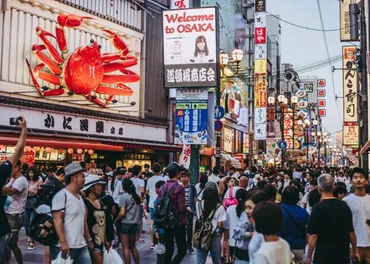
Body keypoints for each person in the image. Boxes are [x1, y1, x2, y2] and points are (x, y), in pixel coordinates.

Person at [305, 174, 360, 264]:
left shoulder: (317, 208)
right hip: (342, 254)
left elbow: (313, 235)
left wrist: (309, 257)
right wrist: (355, 251)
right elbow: (351, 231)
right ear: (333, 188)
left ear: (319, 189)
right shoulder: (343, 205)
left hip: (323, 254)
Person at [51, 162, 92, 263]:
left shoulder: (80, 198)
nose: (84, 180)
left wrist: (89, 240)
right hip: (65, 247)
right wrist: (63, 242)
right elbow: (57, 220)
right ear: (73, 178)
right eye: (82, 176)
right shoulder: (61, 196)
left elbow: (83, 221)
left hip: (81, 245)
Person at [0, 116, 27, 264]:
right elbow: (18, 151)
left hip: (13, 214)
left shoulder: (19, 180)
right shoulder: (2, 172)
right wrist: (24, 129)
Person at [157, 162, 187, 264]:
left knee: (168, 248)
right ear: (177, 173)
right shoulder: (180, 188)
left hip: (165, 221)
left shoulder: (162, 187)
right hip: (178, 221)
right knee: (182, 249)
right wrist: (187, 210)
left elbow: (159, 204)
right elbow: (181, 208)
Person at [3, 159, 29, 264]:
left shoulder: (21, 180)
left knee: (11, 242)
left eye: (11, 168)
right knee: (6, 241)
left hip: (16, 214)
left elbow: (11, 191)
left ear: (17, 167)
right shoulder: (12, 179)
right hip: (8, 211)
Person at [343, 167, 370, 263]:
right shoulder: (346, 201)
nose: (358, 180)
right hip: (352, 246)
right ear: (351, 181)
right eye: (355, 177)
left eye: (361, 177)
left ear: (366, 181)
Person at [195, 182, 225, 264]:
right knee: (216, 261)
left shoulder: (198, 204)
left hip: (201, 234)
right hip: (214, 235)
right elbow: (220, 224)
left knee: (200, 261)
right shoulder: (220, 207)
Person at [83, 174, 110, 264]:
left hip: (101, 241)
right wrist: (89, 240)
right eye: (98, 185)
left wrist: (105, 240)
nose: (100, 187)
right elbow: (84, 222)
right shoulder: (86, 203)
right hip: (92, 242)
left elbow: (102, 223)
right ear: (91, 188)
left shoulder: (100, 203)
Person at [279, 186, 309, 263]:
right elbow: (308, 232)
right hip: (299, 247)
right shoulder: (304, 213)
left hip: (281, 246)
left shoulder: (277, 211)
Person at [117, 179, 142, 264]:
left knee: (125, 247)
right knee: (133, 246)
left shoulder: (123, 197)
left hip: (125, 223)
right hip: (135, 223)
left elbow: (122, 212)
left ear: (124, 187)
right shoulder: (137, 197)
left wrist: (117, 219)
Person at [224, 189, 248, 263]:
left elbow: (226, 227)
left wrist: (225, 240)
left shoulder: (230, 209)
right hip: (245, 243)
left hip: (232, 241)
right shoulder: (249, 211)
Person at [146, 163, 164, 249]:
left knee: (152, 222)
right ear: (160, 169)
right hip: (161, 203)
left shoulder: (149, 179)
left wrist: (151, 195)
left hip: (151, 203)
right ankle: (160, 238)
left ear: (152, 170)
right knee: (160, 221)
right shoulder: (162, 179)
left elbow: (147, 191)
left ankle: (152, 242)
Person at [24, 166, 43, 250]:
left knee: (32, 219)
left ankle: (30, 239)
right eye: (29, 173)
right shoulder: (26, 180)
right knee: (26, 221)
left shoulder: (39, 179)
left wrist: (33, 191)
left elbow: (41, 191)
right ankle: (30, 236)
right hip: (26, 200)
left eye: (32, 173)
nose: (30, 174)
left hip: (34, 200)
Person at [180, 170, 197, 254]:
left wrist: (195, 209)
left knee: (189, 229)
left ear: (189, 178)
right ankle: (183, 244)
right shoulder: (179, 187)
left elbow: (195, 199)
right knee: (181, 229)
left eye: (185, 176)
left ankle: (189, 244)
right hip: (181, 212)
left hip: (190, 212)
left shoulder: (192, 187)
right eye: (182, 176)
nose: (184, 178)